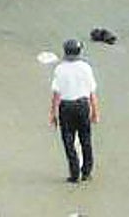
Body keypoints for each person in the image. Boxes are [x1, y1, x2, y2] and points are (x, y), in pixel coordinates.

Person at [49, 38, 99, 183]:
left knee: (68, 140)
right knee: (86, 139)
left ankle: (74, 171)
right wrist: (95, 111)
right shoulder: (85, 67)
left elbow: (56, 94)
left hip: (66, 106)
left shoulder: (60, 69)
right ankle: (87, 172)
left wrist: (53, 113)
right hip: (83, 105)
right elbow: (91, 92)